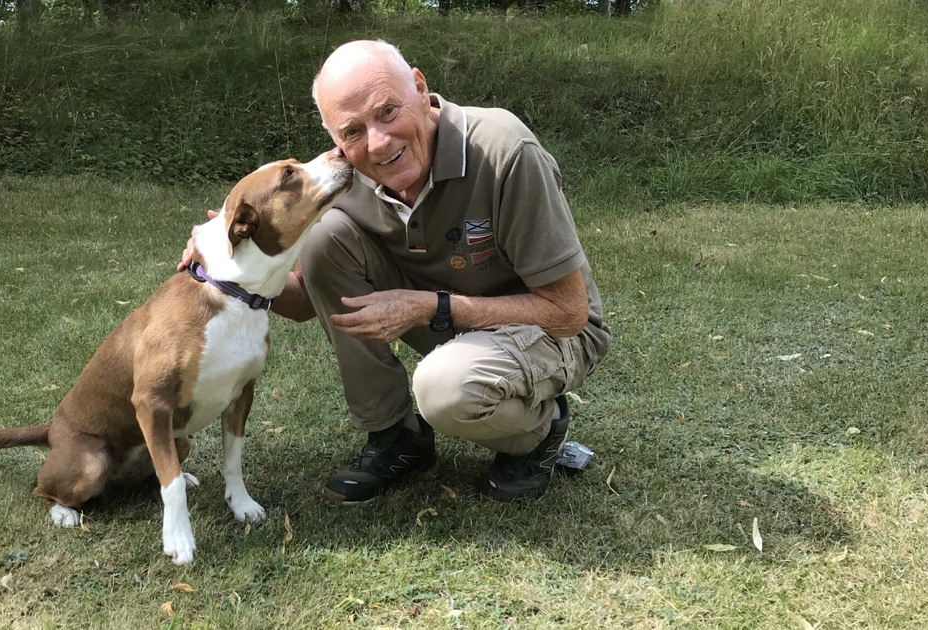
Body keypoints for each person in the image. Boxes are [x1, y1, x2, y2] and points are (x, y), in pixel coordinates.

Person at [183, 39, 610, 505]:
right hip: (453, 325)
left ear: (421, 89)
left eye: (387, 111)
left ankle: (539, 433)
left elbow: (568, 312)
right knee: (326, 238)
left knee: (444, 388)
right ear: (335, 137)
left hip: (552, 332)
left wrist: (429, 306)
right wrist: (229, 267)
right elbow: (309, 299)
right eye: (352, 131)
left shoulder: (505, 150)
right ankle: (396, 436)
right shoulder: (348, 176)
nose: (378, 143)